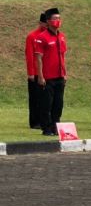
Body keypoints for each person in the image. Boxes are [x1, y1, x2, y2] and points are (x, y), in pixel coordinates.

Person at [34, 8, 67, 136]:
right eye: (54, 18)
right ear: (48, 21)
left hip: (60, 76)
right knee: (46, 104)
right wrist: (40, 76)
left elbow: (63, 56)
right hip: (47, 77)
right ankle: (46, 128)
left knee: (58, 104)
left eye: (59, 18)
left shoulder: (62, 36)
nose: (57, 21)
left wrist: (65, 73)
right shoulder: (41, 37)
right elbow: (38, 58)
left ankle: (55, 127)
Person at [25, 13, 47, 129]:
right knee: (35, 98)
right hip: (35, 72)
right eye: (45, 23)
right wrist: (31, 73)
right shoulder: (32, 36)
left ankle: (44, 120)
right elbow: (29, 56)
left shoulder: (49, 36)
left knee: (45, 98)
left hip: (47, 72)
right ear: (40, 23)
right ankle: (34, 122)